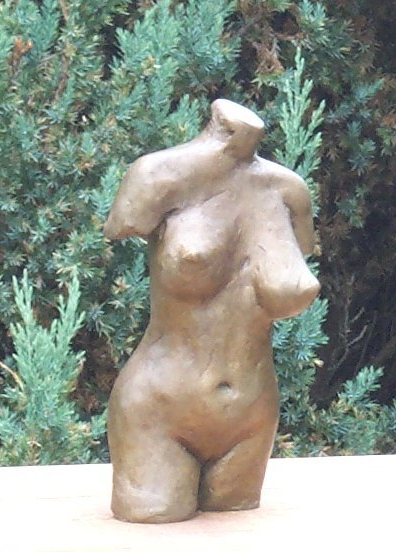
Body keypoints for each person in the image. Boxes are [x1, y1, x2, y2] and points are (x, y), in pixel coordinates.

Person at [104, 99, 320, 523]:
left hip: (253, 417)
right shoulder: (156, 175)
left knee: (241, 534)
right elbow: (121, 226)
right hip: (160, 407)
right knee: (153, 530)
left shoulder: (288, 190)